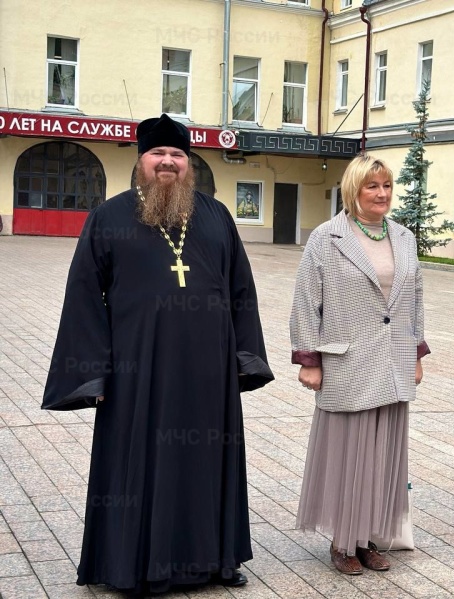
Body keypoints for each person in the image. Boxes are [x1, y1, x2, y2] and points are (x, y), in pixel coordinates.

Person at [42, 114, 273, 593]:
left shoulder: (216, 216)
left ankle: (213, 561)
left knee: (208, 463)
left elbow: (241, 291)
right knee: (138, 468)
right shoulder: (109, 217)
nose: (167, 162)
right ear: (141, 160)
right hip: (138, 372)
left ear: (187, 164)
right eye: (158, 154)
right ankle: (132, 566)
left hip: (208, 373)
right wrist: (94, 375)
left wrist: (244, 358)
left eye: (177, 155)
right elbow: (84, 296)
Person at [290, 154, 429, 575]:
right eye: (372, 186)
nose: (382, 194)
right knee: (348, 455)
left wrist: (416, 353)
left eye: (386, 186)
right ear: (354, 190)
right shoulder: (326, 237)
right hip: (347, 362)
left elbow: (416, 298)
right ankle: (341, 542)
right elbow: (305, 301)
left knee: (384, 455)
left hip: (393, 361)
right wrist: (309, 359)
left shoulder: (404, 237)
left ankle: (368, 537)